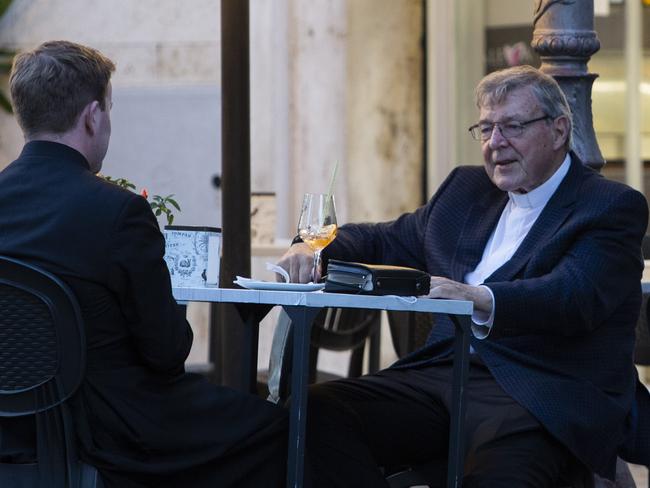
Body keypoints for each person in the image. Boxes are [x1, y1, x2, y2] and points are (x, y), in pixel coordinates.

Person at [278, 65, 649, 487]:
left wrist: (478, 297)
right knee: (313, 414)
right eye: (486, 128)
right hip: (442, 373)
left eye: (513, 127)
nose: (496, 143)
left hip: (541, 389)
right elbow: (385, 240)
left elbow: (574, 296)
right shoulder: (466, 190)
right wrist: (310, 248)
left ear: (559, 130)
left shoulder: (608, 205)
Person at [0, 40, 287, 488]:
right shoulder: (117, 212)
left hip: (10, 430)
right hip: (111, 431)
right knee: (274, 428)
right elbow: (167, 353)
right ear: (93, 116)